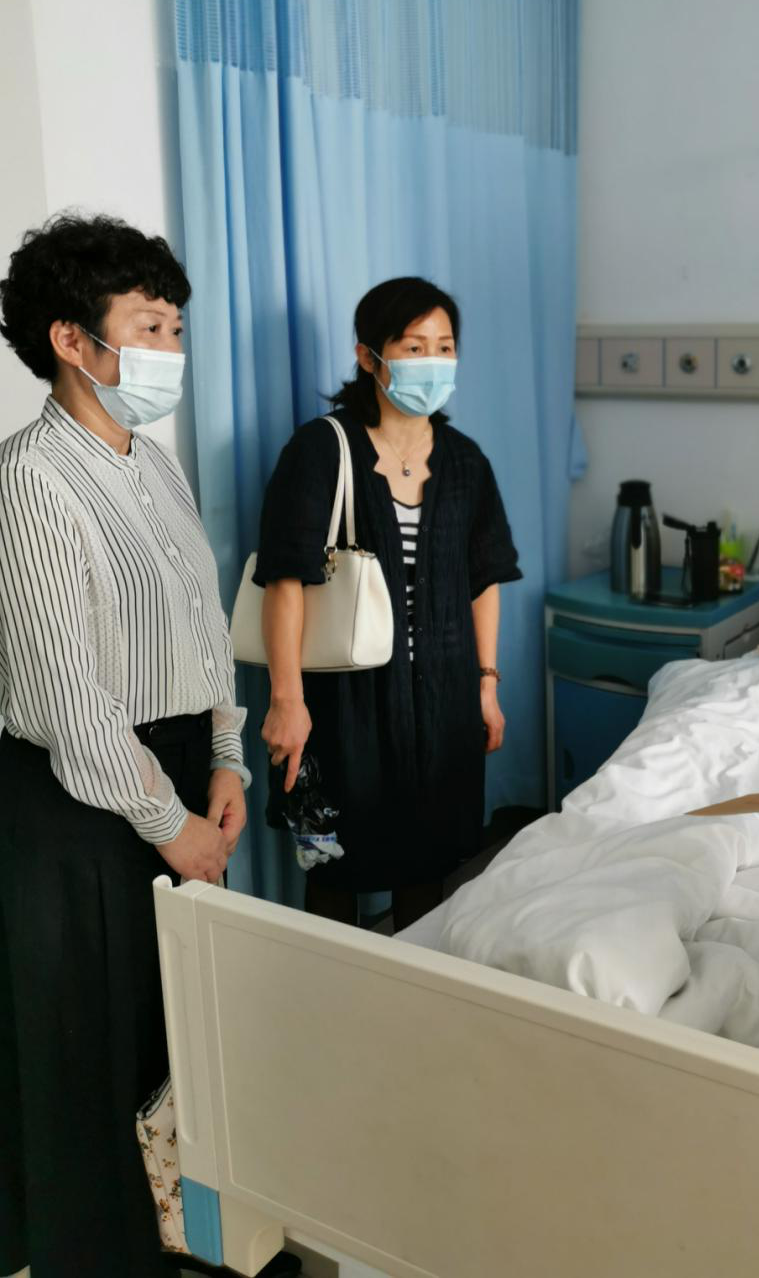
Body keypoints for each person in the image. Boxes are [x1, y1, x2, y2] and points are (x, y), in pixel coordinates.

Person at [0, 214, 249, 1278]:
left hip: (182, 776)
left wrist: (228, 755)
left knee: (180, 1034)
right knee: (92, 1050)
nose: (170, 349)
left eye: (177, 327)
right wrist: (168, 822)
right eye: (149, 326)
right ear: (72, 339)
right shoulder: (30, 481)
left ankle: (193, 1241)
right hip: (80, 801)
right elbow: (71, 698)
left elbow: (202, 624)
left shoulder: (157, 464)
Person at [255, 278, 521, 932]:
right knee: (330, 867)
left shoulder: (465, 463)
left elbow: (483, 581)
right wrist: (287, 701)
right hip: (341, 710)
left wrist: (486, 686)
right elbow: (285, 581)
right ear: (369, 357)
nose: (432, 361)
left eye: (444, 347)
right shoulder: (322, 450)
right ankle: (332, 988)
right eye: (413, 346)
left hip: (445, 704)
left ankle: (411, 987)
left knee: (429, 869)